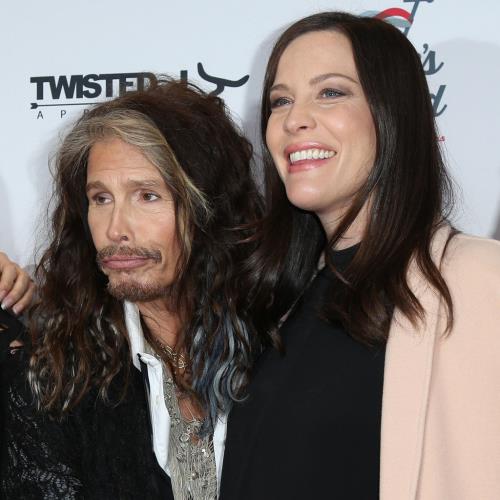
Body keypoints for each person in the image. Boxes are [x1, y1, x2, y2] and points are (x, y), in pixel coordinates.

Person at [220, 12, 500, 500]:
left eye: (331, 92)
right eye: (280, 100)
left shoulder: (477, 281)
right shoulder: (282, 297)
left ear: (393, 114)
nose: (294, 119)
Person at [1, 79, 262, 499]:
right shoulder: (55, 378)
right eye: (101, 199)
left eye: (147, 195)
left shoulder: (280, 345)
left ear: (207, 207)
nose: (115, 229)